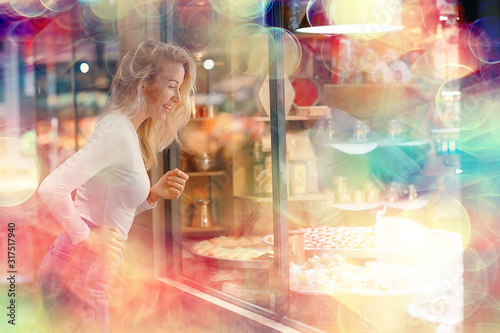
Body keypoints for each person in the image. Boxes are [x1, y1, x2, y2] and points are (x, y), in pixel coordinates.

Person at [37, 40, 196, 332]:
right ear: (144, 83)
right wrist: (88, 238)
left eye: (180, 88)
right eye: (172, 85)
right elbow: (51, 188)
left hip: (79, 273)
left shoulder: (126, 130)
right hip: (78, 274)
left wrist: (151, 195)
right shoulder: (117, 132)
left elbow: (105, 207)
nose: (177, 97)